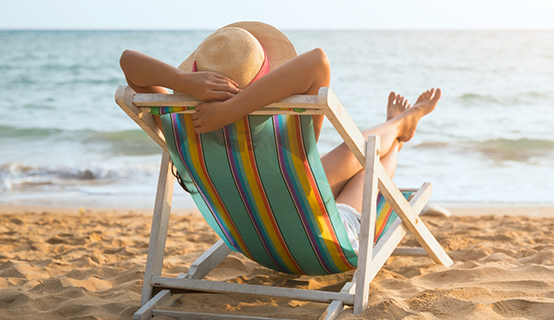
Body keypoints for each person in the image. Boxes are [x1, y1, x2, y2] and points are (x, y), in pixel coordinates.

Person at [120, 21, 441, 253]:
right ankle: (399, 128)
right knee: (370, 156)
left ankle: (399, 124)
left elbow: (129, 62)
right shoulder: (280, 136)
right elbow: (318, 61)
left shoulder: (181, 125)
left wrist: (183, 83)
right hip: (319, 237)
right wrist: (235, 110)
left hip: (252, 235)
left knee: (352, 154)